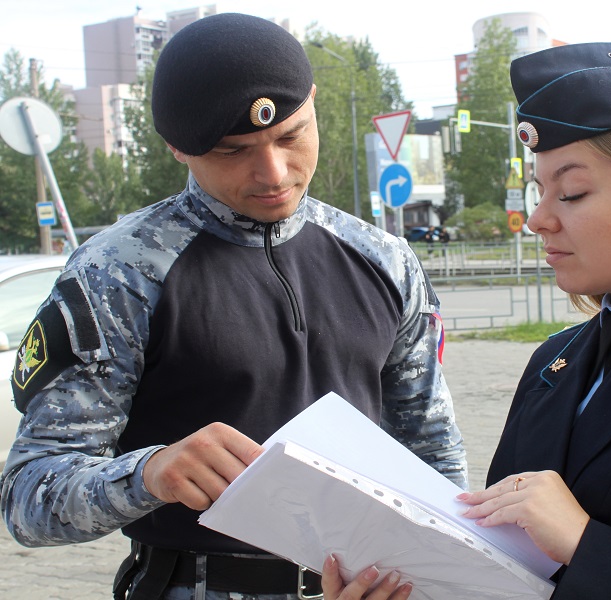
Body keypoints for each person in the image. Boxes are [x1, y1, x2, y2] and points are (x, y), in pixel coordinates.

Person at [0, 13, 466, 600]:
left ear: (314, 103)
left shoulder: (385, 259)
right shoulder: (118, 273)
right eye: (233, 150)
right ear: (176, 146)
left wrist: (441, 577)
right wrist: (148, 475)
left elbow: (434, 452)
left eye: (291, 136)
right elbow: (28, 501)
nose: (273, 173)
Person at [323, 42, 611, 599]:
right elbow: (498, 566)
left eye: (571, 192)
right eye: (539, 189)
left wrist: (585, 544)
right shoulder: (554, 362)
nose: (538, 219)